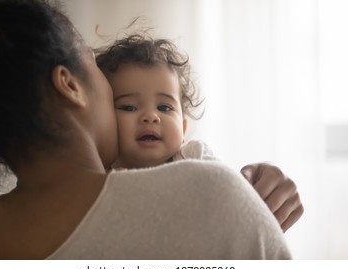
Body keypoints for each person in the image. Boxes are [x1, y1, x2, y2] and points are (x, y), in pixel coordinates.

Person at [0, 0, 291, 259]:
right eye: (93, 65)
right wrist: (247, 202)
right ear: (69, 85)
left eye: (164, 106)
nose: (149, 117)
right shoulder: (209, 192)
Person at [95, 34, 304, 232]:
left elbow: (234, 195)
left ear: (183, 129)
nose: (151, 116)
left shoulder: (192, 156)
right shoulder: (98, 177)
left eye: (165, 108)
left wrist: (256, 183)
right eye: (129, 107)